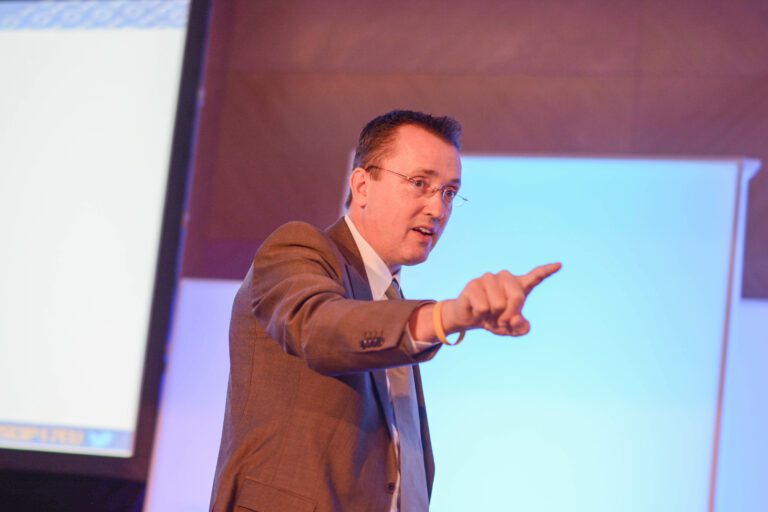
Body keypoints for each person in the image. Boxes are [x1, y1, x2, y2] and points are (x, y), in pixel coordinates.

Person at [210, 110, 560, 511]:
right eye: (419, 184)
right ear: (362, 185)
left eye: (448, 192)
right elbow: (320, 328)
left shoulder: (391, 299)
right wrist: (449, 316)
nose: (438, 209)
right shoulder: (300, 250)